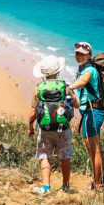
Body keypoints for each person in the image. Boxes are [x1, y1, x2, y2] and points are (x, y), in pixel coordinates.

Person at [28, 55, 79, 195]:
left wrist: (30, 128)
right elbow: (76, 104)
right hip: (63, 128)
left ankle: (45, 188)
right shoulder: (65, 87)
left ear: (44, 74)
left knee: (45, 156)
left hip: (44, 129)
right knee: (65, 156)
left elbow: (33, 113)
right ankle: (66, 186)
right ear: (58, 71)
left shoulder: (39, 89)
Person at [69, 41, 104, 190]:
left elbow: (83, 82)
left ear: (90, 55)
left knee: (94, 149)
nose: (80, 56)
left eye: (83, 54)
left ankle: (98, 184)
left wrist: (69, 87)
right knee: (91, 149)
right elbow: (83, 95)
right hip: (87, 112)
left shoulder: (89, 70)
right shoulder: (82, 69)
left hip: (93, 112)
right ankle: (96, 178)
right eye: (78, 54)